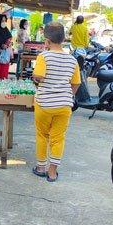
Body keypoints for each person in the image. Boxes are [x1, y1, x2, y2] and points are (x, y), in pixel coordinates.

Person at [31, 22, 80, 182]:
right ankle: (52, 172)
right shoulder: (72, 60)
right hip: (64, 105)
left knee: (42, 135)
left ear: (46, 41)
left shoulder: (43, 56)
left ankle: (41, 167)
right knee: (58, 138)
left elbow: (39, 76)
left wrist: (37, 80)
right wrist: (67, 96)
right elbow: (76, 83)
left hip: (44, 104)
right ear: (63, 39)